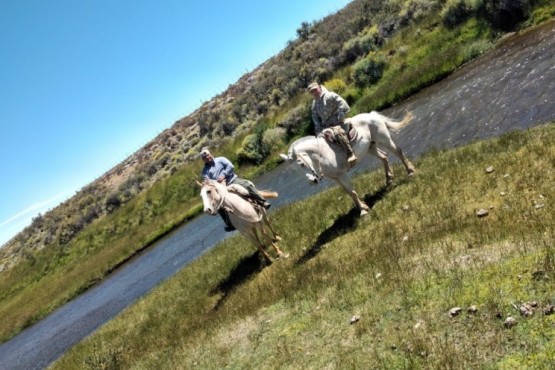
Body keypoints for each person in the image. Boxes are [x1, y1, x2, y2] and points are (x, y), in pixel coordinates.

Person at [200, 148, 271, 232]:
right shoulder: (205, 171)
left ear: (211, 154)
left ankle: (262, 201)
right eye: (205, 158)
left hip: (232, 180)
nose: (207, 157)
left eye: (208, 155)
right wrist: (217, 181)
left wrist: (223, 175)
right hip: (220, 188)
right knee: (219, 206)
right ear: (203, 160)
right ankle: (229, 223)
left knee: (247, 185)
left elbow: (230, 166)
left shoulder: (221, 159)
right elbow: (207, 181)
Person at [308, 82, 357, 167]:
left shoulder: (330, 95)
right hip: (326, 126)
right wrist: (319, 129)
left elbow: (344, 105)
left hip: (338, 121)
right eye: (312, 92)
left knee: (338, 132)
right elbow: (315, 118)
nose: (314, 93)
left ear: (319, 87)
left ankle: (350, 154)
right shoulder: (314, 105)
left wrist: (338, 118)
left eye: (315, 90)